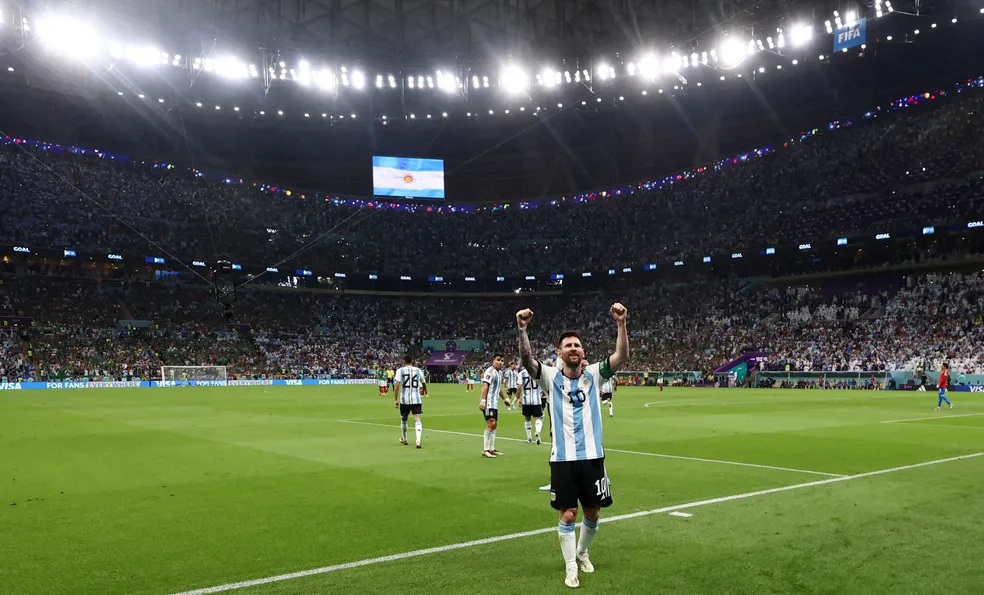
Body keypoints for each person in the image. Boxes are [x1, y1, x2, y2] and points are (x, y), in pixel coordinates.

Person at [517, 302, 630, 589]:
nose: (573, 348)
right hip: (563, 459)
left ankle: (581, 553)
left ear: (582, 352)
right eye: (568, 345)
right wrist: (522, 330)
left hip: (593, 457)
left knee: (593, 513)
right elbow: (527, 360)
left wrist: (621, 323)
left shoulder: (595, 373)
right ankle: (570, 566)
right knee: (568, 513)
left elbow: (622, 356)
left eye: (577, 345)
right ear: (560, 353)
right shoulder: (549, 377)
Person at [394, 355, 427, 448]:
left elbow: (397, 386)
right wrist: (423, 390)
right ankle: (418, 441)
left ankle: (404, 439)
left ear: (404, 361)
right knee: (417, 419)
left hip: (404, 399)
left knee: (404, 419)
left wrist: (395, 399)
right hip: (416, 398)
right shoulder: (418, 370)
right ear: (412, 361)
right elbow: (423, 383)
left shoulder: (400, 371)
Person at [479, 354, 506, 458]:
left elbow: (499, 389)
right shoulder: (490, 371)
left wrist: (505, 399)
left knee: (494, 425)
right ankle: (485, 450)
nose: (500, 362)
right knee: (491, 423)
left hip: (494, 403)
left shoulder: (499, 373)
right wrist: (483, 400)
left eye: (502, 360)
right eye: (498, 360)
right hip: (488, 402)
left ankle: (492, 449)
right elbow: (485, 386)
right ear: (493, 360)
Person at [520, 364, 545, 444]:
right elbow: (543, 384)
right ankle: (537, 432)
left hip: (526, 400)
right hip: (537, 400)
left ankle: (529, 437)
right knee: (538, 418)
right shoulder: (538, 373)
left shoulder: (522, 373)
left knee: (527, 418)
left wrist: (517, 398)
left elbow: (519, 386)